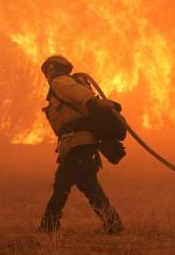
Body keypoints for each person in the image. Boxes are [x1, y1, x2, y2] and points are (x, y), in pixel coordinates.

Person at [38, 55, 123, 234]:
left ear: (53, 68)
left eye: (47, 71)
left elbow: (81, 96)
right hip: (76, 144)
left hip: (78, 142)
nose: (47, 76)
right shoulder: (65, 83)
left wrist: (96, 103)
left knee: (63, 185)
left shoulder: (60, 82)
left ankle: (48, 227)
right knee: (86, 185)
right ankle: (113, 224)